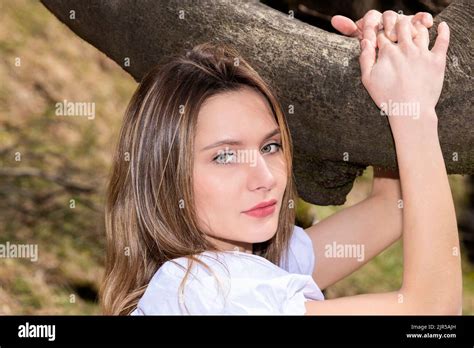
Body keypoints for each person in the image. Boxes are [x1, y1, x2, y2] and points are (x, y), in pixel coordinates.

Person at [100, 9, 461, 315]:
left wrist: (383, 69)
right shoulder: (203, 290)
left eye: (270, 147)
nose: (265, 177)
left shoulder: (245, 264)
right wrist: (415, 113)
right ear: (162, 175)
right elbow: (432, 312)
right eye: (225, 156)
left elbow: (393, 206)